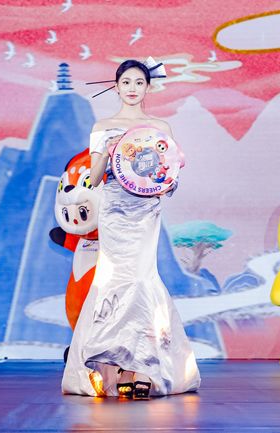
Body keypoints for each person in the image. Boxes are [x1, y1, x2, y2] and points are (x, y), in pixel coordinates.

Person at [61, 59, 201, 400]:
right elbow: (94, 179)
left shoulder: (160, 127)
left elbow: (169, 177)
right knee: (113, 282)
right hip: (113, 213)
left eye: (139, 82)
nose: (133, 88)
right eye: (126, 82)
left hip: (144, 212)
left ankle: (142, 367)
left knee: (141, 281)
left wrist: (167, 182)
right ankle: (118, 366)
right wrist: (107, 152)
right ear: (117, 86)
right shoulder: (103, 126)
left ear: (148, 87)